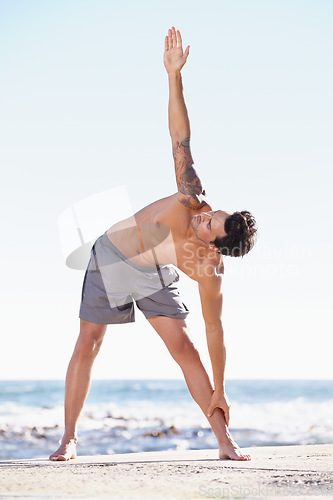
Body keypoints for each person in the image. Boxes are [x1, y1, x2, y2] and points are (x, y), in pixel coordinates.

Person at [50, 26, 257, 462]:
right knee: (89, 342)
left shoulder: (208, 270)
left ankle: (224, 441)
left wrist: (221, 387)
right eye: (212, 213)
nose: (205, 215)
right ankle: (69, 438)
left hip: (154, 273)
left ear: (216, 248)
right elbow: (179, 138)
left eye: (211, 225)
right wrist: (173, 76)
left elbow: (215, 330)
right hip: (113, 256)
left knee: (186, 348)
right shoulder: (189, 197)